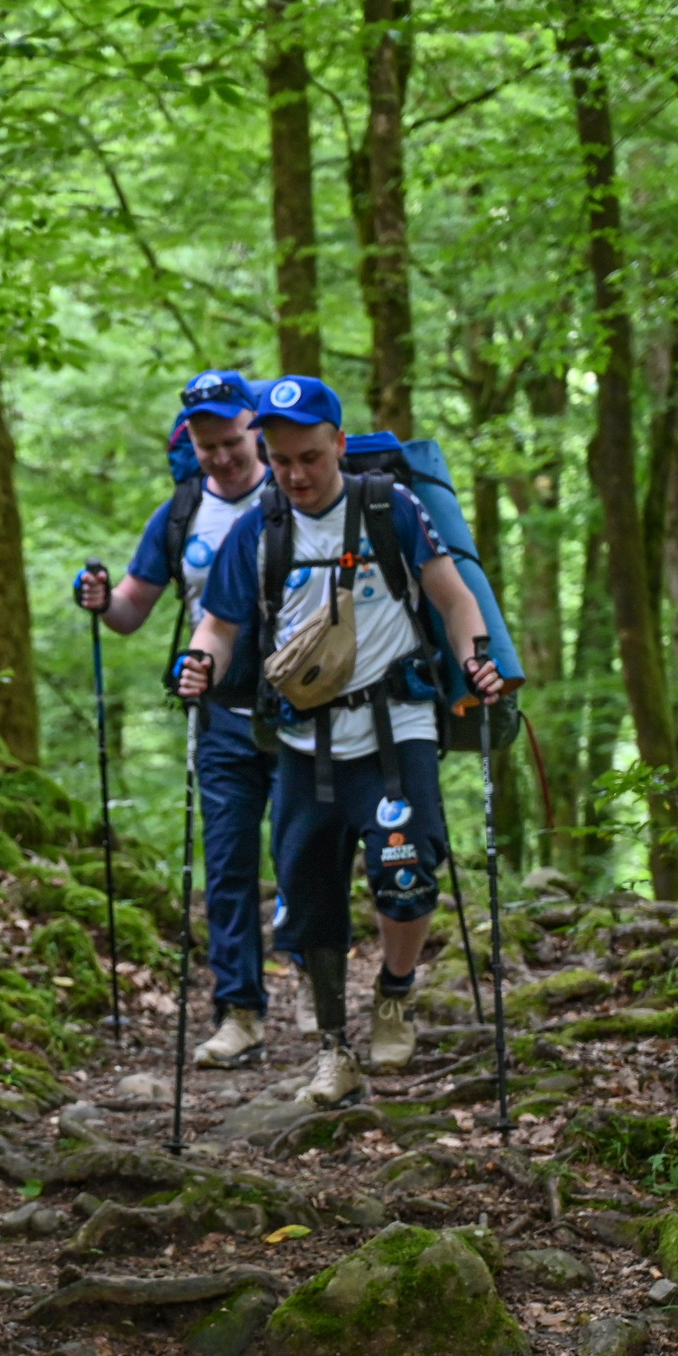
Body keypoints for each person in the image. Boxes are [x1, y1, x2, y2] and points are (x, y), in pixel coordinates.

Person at [176, 377, 505, 1102]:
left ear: (340, 447)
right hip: (302, 742)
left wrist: (475, 655)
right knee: (308, 895)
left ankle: (395, 991)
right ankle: (333, 1048)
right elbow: (221, 625)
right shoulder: (258, 528)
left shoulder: (390, 507)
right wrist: (201, 662)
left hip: (396, 731)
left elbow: (453, 596)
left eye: (311, 458)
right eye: (282, 458)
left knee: (408, 875)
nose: (295, 473)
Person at [73, 370, 279, 1068]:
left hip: (306, 709)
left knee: (312, 857)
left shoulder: (295, 494)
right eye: (205, 442)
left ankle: (326, 999)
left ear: (253, 426)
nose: (220, 455)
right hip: (218, 714)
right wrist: (101, 601)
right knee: (226, 864)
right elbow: (132, 611)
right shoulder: (182, 512)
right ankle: (240, 1012)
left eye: (229, 440)